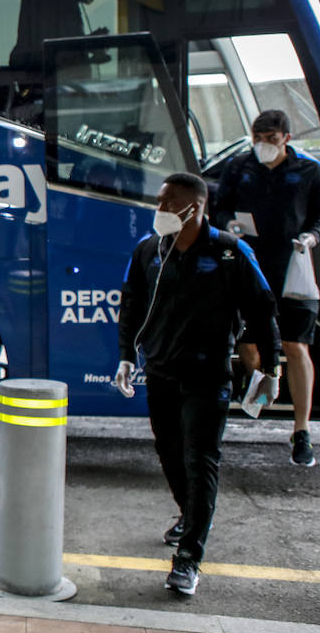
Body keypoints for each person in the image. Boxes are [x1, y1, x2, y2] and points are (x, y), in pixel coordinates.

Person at [114, 172, 280, 596]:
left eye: (168, 203)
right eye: (160, 201)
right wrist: (126, 357)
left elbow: (263, 312)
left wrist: (271, 370)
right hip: (162, 372)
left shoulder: (230, 253)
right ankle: (190, 515)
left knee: (200, 458)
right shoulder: (149, 251)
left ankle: (188, 558)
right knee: (167, 450)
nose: (160, 210)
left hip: (208, 377)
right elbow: (131, 305)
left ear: (195, 207)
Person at [211, 109, 320, 467]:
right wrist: (228, 225)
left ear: (286, 139)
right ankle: (263, 385)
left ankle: (301, 430)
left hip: (292, 267)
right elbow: (218, 209)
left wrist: (312, 236)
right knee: (247, 344)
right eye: (258, 139)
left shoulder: (308, 171)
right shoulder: (239, 167)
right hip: (248, 265)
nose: (263, 145)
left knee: (296, 345)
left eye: (271, 139)